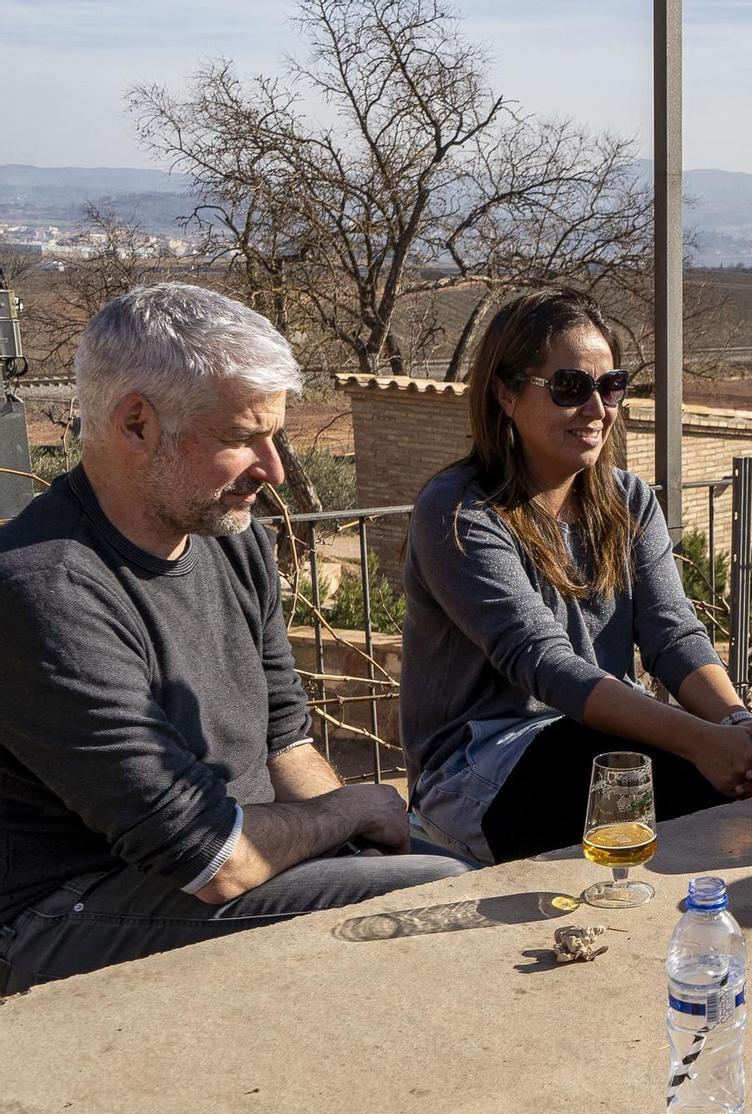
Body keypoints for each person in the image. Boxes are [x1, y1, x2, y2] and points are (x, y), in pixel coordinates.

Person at [0, 283, 470, 993]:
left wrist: (354, 836)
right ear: (136, 425)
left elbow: (286, 737)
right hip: (68, 913)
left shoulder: (232, 538)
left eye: (274, 436)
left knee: (461, 876)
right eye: (241, 438)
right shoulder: (46, 589)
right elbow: (211, 856)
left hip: (235, 861)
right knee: (438, 896)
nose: (273, 469)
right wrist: (347, 812)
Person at [400, 289, 752, 865]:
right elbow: (544, 663)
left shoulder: (629, 501)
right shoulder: (459, 512)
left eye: (611, 386)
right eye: (570, 388)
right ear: (505, 393)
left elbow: (673, 635)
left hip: (600, 743)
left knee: (739, 792)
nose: (596, 409)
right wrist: (699, 742)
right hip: (481, 764)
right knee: (647, 780)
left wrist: (738, 729)